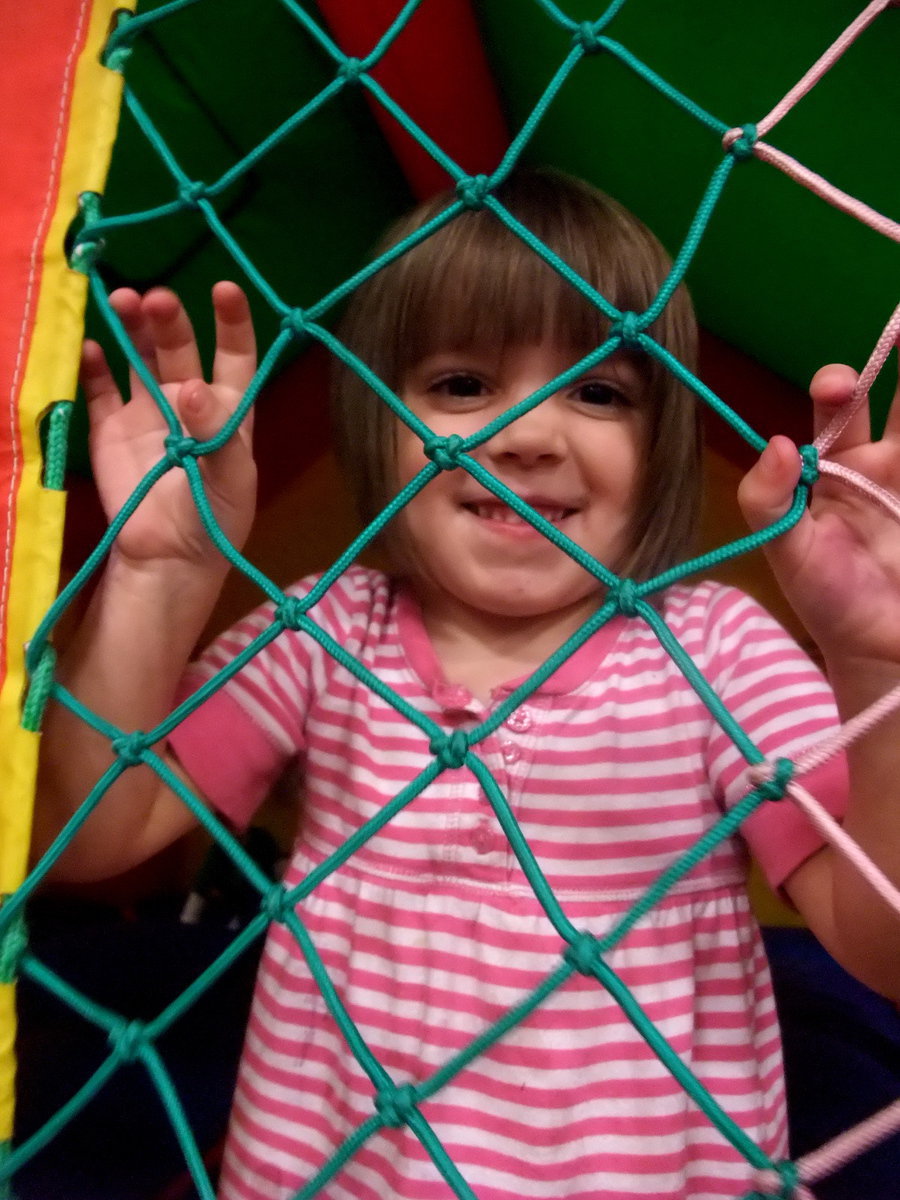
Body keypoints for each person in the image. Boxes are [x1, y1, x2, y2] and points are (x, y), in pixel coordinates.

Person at [33, 169, 900, 1200]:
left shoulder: (716, 651)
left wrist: (874, 666)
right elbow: (92, 830)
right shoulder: (331, 630)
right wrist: (158, 574)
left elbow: (880, 939)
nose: (529, 432)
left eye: (598, 391)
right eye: (462, 384)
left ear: (665, 441)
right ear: (376, 424)